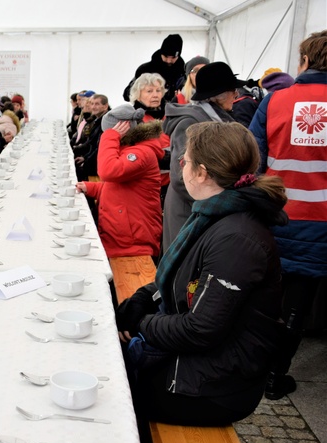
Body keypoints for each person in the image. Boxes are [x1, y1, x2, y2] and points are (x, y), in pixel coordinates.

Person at [115, 121, 287, 426]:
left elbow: (201, 329)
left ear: (202, 172)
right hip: (203, 367)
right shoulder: (215, 213)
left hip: (213, 388)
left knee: (112, 396)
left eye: (185, 161)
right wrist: (140, 301)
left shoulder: (236, 237)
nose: (181, 166)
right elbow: (179, 281)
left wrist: (141, 324)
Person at [249, 29, 327, 400]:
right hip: (321, 223)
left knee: (266, 294)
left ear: (306, 60)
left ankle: (251, 366)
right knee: (299, 301)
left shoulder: (276, 100)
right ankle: (276, 375)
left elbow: (251, 160)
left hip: (277, 217)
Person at [162, 62, 244, 250]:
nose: (237, 95)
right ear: (219, 94)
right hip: (188, 213)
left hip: (201, 209)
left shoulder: (217, 118)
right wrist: (219, 201)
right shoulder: (191, 122)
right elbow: (181, 177)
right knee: (186, 274)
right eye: (233, 90)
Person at [76, 105, 164, 258]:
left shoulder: (141, 153)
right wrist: (91, 188)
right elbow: (119, 187)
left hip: (133, 245)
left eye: (109, 131)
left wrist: (109, 137)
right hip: (122, 239)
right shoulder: (131, 148)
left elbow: (108, 172)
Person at [124, 34, 185, 102]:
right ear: (161, 53)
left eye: (173, 57)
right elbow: (127, 94)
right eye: (166, 56)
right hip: (146, 110)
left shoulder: (183, 73)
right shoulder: (145, 70)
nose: (169, 60)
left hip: (175, 111)